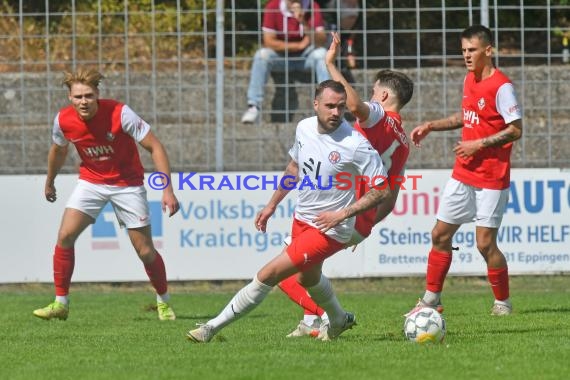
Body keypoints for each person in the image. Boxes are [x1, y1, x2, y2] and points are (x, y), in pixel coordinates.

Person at [187, 80, 394, 343]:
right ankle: (339, 318)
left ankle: (210, 328)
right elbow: (294, 168)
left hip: (330, 228)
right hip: (302, 219)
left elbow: (382, 190)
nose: (335, 113)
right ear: (315, 104)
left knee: (268, 274)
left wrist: (342, 214)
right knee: (308, 278)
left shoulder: (355, 144)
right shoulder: (304, 128)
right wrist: (272, 204)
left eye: (341, 107)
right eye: (330, 106)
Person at [280, 31, 415, 337]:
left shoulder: (379, 116)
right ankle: (311, 322)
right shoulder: (403, 141)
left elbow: (356, 107)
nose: (369, 96)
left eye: (372, 91)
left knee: (284, 274)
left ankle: (330, 317)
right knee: (309, 269)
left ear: (382, 96)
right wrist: (365, 226)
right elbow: (390, 196)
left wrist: (330, 64)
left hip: (340, 211)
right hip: (359, 220)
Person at [33, 67, 180, 321]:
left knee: (145, 251)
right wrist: (50, 181)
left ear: (97, 94)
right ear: (70, 97)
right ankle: (61, 303)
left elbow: (155, 146)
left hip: (128, 184)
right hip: (91, 182)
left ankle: (163, 301)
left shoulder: (120, 113)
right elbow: (58, 151)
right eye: (78, 96)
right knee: (65, 235)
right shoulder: (63, 120)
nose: (83, 101)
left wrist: (168, 189)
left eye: (89, 95)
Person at [405, 24, 523, 317]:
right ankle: (431, 299)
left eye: (472, 50)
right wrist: (432, 125)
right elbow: (468, 116)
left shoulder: (502, 87)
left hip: (491, 177)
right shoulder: (470, 80)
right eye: (463, 51)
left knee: (484, 244)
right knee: (440, 234)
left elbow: (516, 130)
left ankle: (502, 303)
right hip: (463, 174)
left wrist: (478, 144)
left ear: (488, 50)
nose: (467, 56)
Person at [241, 0, 330, 124]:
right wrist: (298, 46)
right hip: (281, 58)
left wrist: (303, 22)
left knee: (322, 54)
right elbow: (268, 41)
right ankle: (254, 106)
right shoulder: (273, 6)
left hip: (306, 57)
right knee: (261, 55)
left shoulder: (312, 6)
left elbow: (321, 41)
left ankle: (327, 106)